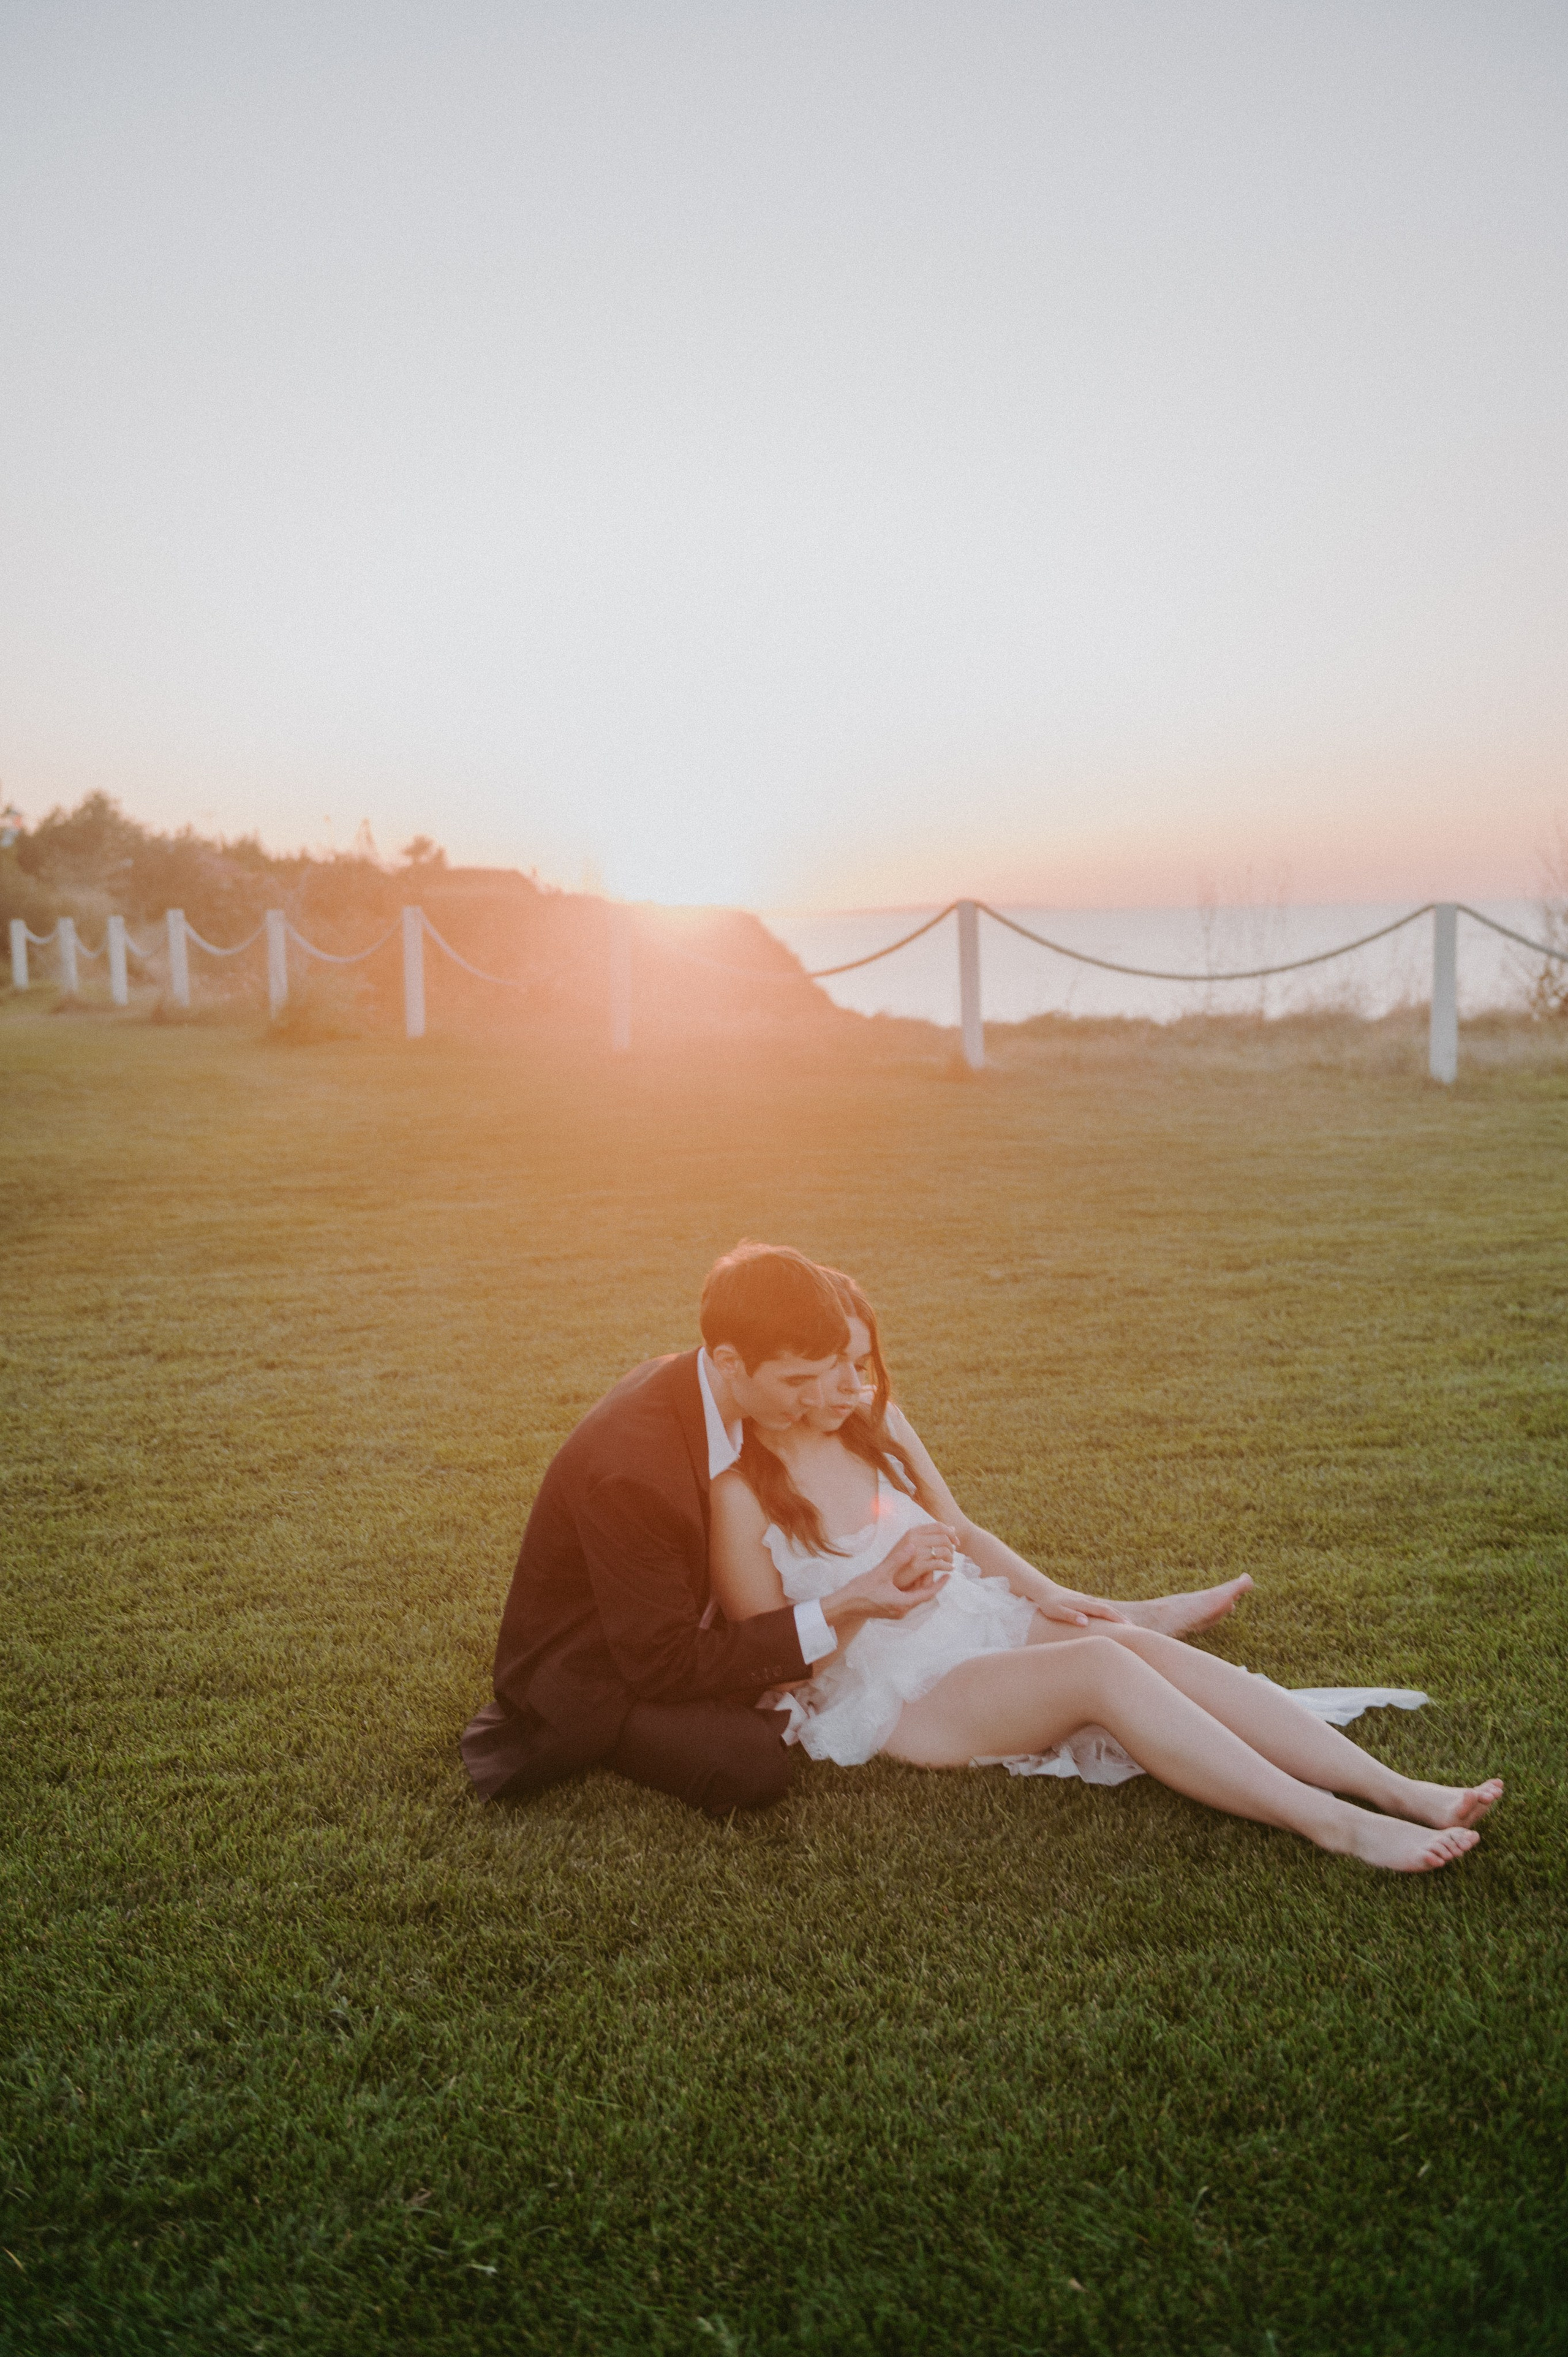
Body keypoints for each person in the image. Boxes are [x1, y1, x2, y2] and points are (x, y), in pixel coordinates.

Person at [708, 1265, 1502, 1871]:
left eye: (859, 1363)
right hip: (893, 1693)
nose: (849, 1386)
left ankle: (1395, 1789)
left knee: (1126, 1640)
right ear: (791, 1363)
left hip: (971, 1623)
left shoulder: (872, 1422)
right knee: (1097, 1667)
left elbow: (962, 1530)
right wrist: (864, 1599)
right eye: (824, 1370)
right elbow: (770, 1661)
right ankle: (1336, 1823)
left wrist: (1057, 1596)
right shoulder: (742, 1494)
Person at [461, 1240, 1245, 1819]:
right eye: (797, 1382)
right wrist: (841, 1609)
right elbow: (657, 1659)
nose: (812, 1401)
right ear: (730, 1362)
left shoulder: (712, 1380)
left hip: (673, 1617)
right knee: (749, 1768)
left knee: (767, 1706)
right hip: (596, 1669)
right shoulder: (633, 1466)